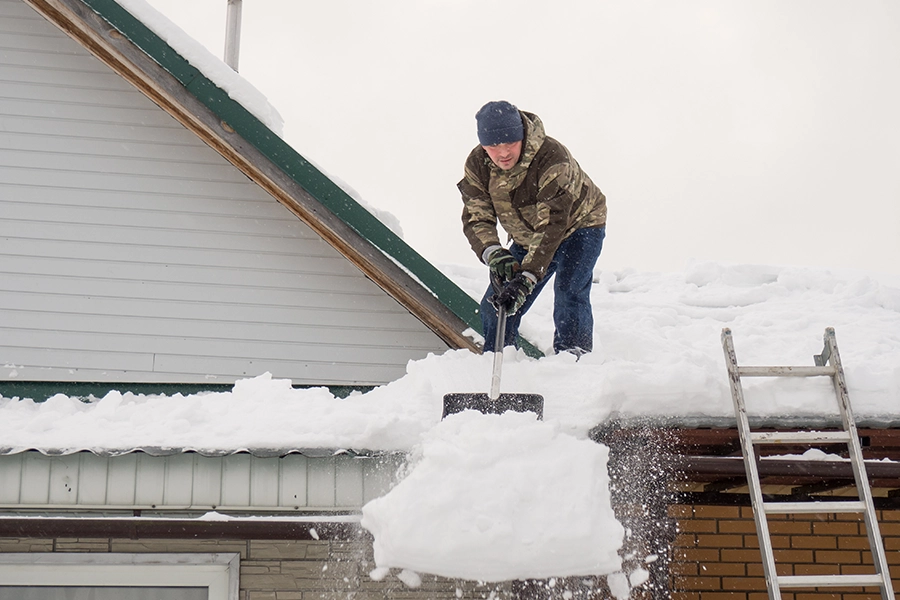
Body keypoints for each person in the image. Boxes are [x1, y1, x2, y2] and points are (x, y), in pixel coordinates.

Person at [458, 100, 607, 356]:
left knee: (569, 291)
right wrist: (493, 252)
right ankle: (501, 362)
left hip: (579, 227)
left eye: (510, 144)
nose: (503, 153)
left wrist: (527, 277)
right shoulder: (477, 165)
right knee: (498, 304)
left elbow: (552, 224)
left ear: (522, 136)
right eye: (493, 146)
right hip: (527, 236)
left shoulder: (551, 157)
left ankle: (574, 362)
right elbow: (476, 215)